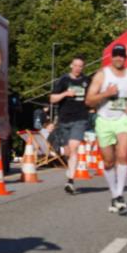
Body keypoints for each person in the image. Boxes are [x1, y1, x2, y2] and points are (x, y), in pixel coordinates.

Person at [85, 43, 127, 214]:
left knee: (122, 155)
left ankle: (119, 194)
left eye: (121, 55)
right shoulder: (102, 75)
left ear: (125, 58)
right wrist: (106, 94)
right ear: (111, 57)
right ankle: (114, 194)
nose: (119, 58)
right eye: (116, 55)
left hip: (124, 119)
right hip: (104, 120)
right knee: (108, 162)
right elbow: (89, 100)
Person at [51, 56, 91, 195]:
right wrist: (66, 93)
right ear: (71, 65)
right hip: (64, 119)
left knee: (74, 147)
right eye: (75, 65)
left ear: (83, 67)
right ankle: (71, 170)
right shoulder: (63, 80)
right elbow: (52, 99)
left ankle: (70, 181)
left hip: (80, 118)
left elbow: (92, 96)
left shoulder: (87, 81)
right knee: (68, 151)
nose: (77, 68)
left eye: (80, 66)